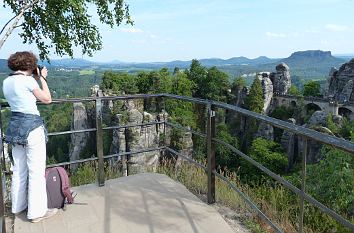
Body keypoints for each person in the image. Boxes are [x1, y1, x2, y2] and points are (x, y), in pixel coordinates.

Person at [3, 51, 57, 223]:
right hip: (32, 127)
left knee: (19, 169)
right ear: (30, 65)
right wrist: (42, 78)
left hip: (14, 126)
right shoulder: (27, 80)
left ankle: (17, 207)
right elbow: (47, 99)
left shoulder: (7, 81)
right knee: (36, 171)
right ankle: (36, 213)